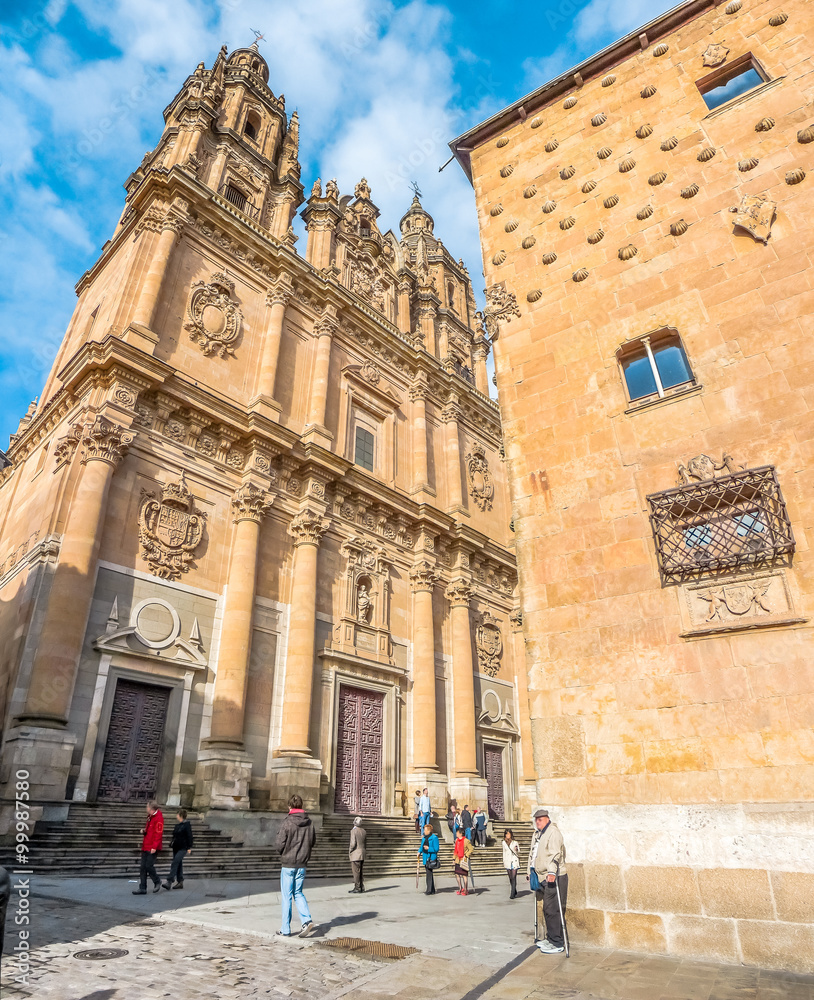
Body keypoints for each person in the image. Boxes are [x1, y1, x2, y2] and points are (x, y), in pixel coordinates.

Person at [275, 794, 317, 938]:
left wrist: (283, 852)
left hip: (288, 863)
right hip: (302, 863)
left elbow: (279, 843)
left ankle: (285, 929)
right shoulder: (309, 822)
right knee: (298, 892)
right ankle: (306, 920)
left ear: (290, 806)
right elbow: (312, 841)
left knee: (287, 896)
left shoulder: (287, 822)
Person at [527, 808, 568, 954]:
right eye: (536, 819)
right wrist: (529, 870)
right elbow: (533, 853)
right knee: (547, 909)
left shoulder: (553, 832)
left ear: (547, 819)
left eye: (540, 819)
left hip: (553, 876)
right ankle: (551, 938)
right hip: (540, 876)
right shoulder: (537, 834)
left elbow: (555, 854)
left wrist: (551, 871)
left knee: (552, 909)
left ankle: (557, 943)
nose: (538, 821)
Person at [132, 800, 164, 895]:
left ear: (151, 808)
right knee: (142, 867)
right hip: (146, 845)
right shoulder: (150, 817)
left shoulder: (159, 818)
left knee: (148, 866)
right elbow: (150, 830)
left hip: (153, 847)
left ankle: (157, 881)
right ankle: (142, 888)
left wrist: (154, 846)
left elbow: (158, 833)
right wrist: (144, 831)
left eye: (147, 807)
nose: (146, 809)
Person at [162, 808, 193, 890]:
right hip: (175, 847)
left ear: (180, 816)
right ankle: (180, 881)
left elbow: (189, 836)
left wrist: (189, 847)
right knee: (178, 863)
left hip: (183, 848)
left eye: (177, 814)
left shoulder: (187, 825)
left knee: (175, 862)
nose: (176, 816)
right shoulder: (177, 825)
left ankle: (169, 881)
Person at [418, 822, 439, 895]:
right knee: (429, 873)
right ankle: (432, 889)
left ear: (429, 830)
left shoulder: (434, 838)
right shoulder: (424, 838)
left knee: (429, 874)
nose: (424, 831)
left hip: (431, 858)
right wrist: (419, 852)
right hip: (425, 857)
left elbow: (436, 849)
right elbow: (421, 846)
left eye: (425, 830)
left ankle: (429, 890)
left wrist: (429, 848)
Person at [452, 826, 473, 895]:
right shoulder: (457, 841)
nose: (456, 834)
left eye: (457, 833)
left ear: (461, 833)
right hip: (458, 859)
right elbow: (455, 850)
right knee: (457, 874)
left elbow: (471, 849)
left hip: (463, 860)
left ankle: (466, 889)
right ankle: (460, 888)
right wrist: (453, 859)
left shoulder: (466, 841)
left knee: (464, 875)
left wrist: (466, 855)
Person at [348, 816, 366, 893]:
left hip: (355, 854)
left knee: (356, 872)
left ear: (355, 822)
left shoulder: (353, 831)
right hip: (362, 852)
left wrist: (350, 851)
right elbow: (365, 843)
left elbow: (353, 843)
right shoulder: (364, 831)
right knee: (360, 871)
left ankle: (357, 887)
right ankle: (361, 886)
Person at [502, 828, 520, 899]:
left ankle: (512, 893)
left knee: (514, 876)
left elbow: (518, 850)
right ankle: (514, 889)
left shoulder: (515, 842)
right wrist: (504, 861)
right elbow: (504, 852)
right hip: (507, 861)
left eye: (509, 834)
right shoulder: (503, 843)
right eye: (506, 834)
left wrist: (516, 849)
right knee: (510, 877)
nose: (508, 835)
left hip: (514, 861)